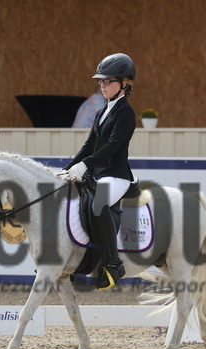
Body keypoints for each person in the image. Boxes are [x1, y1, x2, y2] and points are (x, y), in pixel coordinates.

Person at [63, 52, 136, 289]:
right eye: (101, 82)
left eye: (108, 81)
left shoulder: (125, 112)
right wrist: (67, 169)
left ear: (123, 84)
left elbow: (114, 145)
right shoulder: (101, 112)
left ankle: (113, 262)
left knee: (98, 205)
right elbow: (88, 146)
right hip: (98, 174)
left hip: (116, 175)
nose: (102, 86)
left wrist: (86, 165)